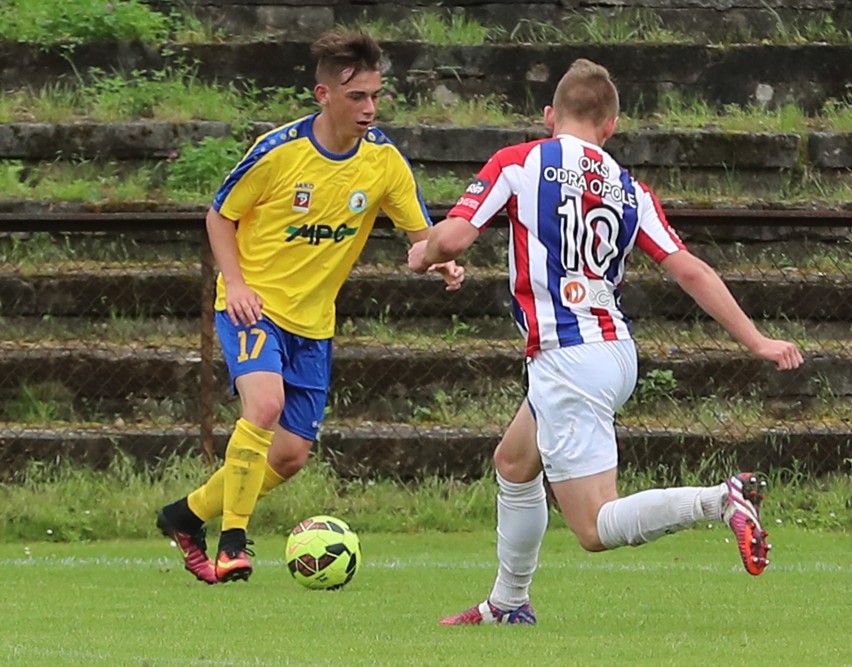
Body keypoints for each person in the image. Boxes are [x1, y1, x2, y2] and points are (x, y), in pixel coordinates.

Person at [408, 58, 804, 624]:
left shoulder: (520, 162)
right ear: (611, 125)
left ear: (549, 115)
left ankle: (720, 500)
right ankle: (508, 603)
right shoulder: (626, 186)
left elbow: (455, 235)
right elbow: (689, 268)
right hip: (613, 351)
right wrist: (756, 339)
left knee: (594, 527)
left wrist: (425, 254)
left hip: (568, 359)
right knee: (515, 462)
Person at [156, 28, 464, 584]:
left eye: (375, 95)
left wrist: (438, 259)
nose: (369, 108)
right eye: (357, 97)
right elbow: (219, 216)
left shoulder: (383, 163)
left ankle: (185, 515)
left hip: (313, 323)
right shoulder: (279, 152)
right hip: (251, 306)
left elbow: (420, 236)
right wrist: (238, 284)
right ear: (324, 96)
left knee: (290, 455)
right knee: (265, 407)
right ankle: (233, 541)